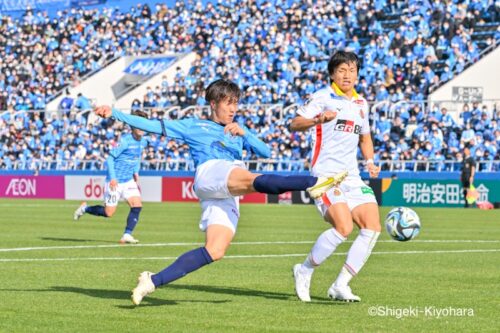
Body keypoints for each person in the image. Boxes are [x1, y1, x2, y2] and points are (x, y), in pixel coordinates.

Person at [93, 79, 347, 305]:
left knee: (215, 250)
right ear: (213, 103)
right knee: (249, 178)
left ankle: (152, 281)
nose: (233, 109)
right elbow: (150, 124)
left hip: (227, 191)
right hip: (211, 172)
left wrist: (245, 133)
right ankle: (314, 182)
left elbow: (266, 152)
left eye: (236, 104)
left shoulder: (236, 130)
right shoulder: (194, 126)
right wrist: (115, 113)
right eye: (229, 103)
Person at [290, 51, 381, 303]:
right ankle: (304, 269)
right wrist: (318, 119)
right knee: (343, 227)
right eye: (342, 70)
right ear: (332, 73)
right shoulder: (322, 97)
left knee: (372, 227)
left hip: (352, 175)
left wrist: (370, 162)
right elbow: (294, 123)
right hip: (326, 175)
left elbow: (365, 138)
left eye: (352, 70)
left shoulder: (361, 104)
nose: (347, 75)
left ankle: (340, 285)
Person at [73, 111, 149, 244]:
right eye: (139, 125)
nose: (142, 128)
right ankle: (85, 208)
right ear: (132, 126)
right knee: (109, 213)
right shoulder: (125, 141)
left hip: (129, 180)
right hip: (115, 181)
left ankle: (127, 234)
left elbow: (137, 157)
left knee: (137, 205)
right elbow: (109, 159)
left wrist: (136, 172)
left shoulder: (143, 142)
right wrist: (113, 178)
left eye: (144, 125)